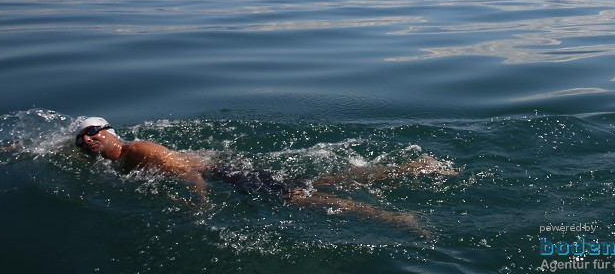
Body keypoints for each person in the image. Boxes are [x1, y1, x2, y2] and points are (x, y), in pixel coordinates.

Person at [73, 117, 455, 233]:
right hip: (228, 171)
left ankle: (396, 219)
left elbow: (188, 173)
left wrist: (198, 202)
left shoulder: (137, 150)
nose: (86, 142)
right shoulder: (114, 158)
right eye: (80, 140)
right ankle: (413, 169)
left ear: (108, 131)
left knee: (306, 200)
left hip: (224, 176)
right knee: (319, 184)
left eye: (91, 133)